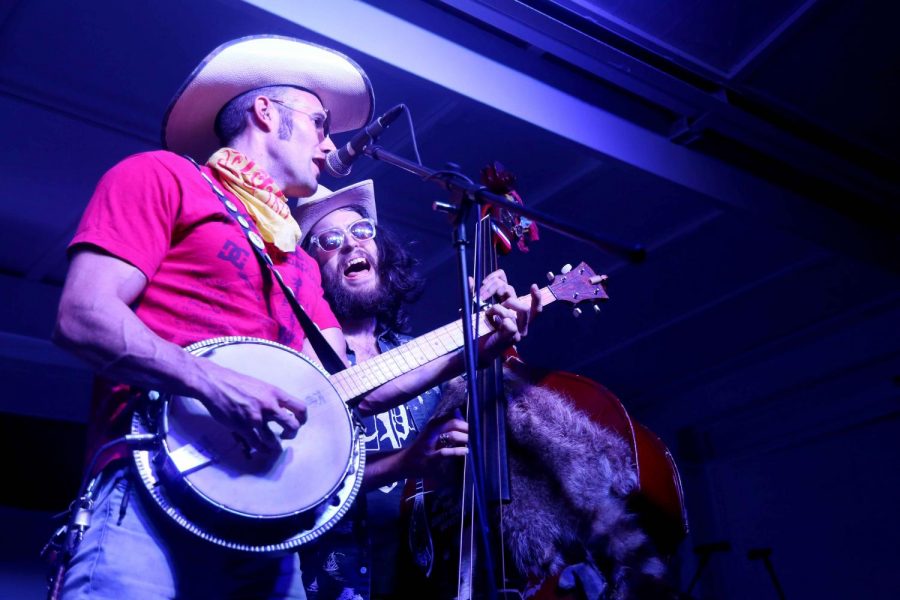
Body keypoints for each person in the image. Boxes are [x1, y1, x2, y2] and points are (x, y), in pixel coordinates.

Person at [52, 35, 540, 599]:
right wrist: (210, 381)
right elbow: (83, 315)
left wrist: (473, 343)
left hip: (264, 522)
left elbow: (347, 390)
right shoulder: (162, 176)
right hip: (149, 486)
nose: (328, 144)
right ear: (266, 112)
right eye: (318, 123)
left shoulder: (297, 262)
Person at [294, 180, 503, 599]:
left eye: (362, 232)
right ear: (309, 269)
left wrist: (496, 337)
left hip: (422, 582)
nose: (351, 245)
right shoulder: (298, 358)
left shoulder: (424, 361)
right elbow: (302, 478)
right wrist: (406, 462)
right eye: (329, 240)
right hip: (326, 583)